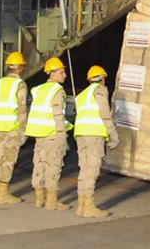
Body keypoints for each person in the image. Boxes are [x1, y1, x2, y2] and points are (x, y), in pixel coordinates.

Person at [26, 56, 72, 210]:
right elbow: (58, 115)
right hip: (53, 134)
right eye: (61, 72)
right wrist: (63, 137)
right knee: (53, 166)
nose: (65, 75)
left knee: (39, 165)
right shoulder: (57, 90)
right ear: (52, 73)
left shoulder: (38, 90)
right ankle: (51, 202)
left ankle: (39, 199)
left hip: (39, 134)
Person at [73, 64, 119, 218]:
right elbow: (104, 114)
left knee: (84, 170)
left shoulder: (82, 95)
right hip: (94, 135)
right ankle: (89, 207)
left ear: (89, 80)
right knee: (92, 169)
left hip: (80, 134)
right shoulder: (100, 90)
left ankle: (81, 205)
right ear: (103, 78)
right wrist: (113, 134)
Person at [0, 51, 29, 204]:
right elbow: (21, 109)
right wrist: (23, 131)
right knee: (8, 161)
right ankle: (3, 194)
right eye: (22, 66)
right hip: (12, 128)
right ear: (19, 67)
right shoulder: (19, 84)